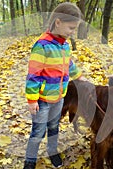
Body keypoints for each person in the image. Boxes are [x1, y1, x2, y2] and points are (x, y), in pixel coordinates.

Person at [24, 2, 87, 169]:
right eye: (71, 28)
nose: (72, 32)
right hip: (43, 100)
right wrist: (32, 99)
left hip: (59, 97)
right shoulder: (42, 45)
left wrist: (79, 77)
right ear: (58, 22)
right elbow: (33, 75)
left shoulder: (64, 44)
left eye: (75, 29)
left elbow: (69, 65)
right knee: (38, 131)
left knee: (54, 126)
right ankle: (30, 160)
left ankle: (52, 151)